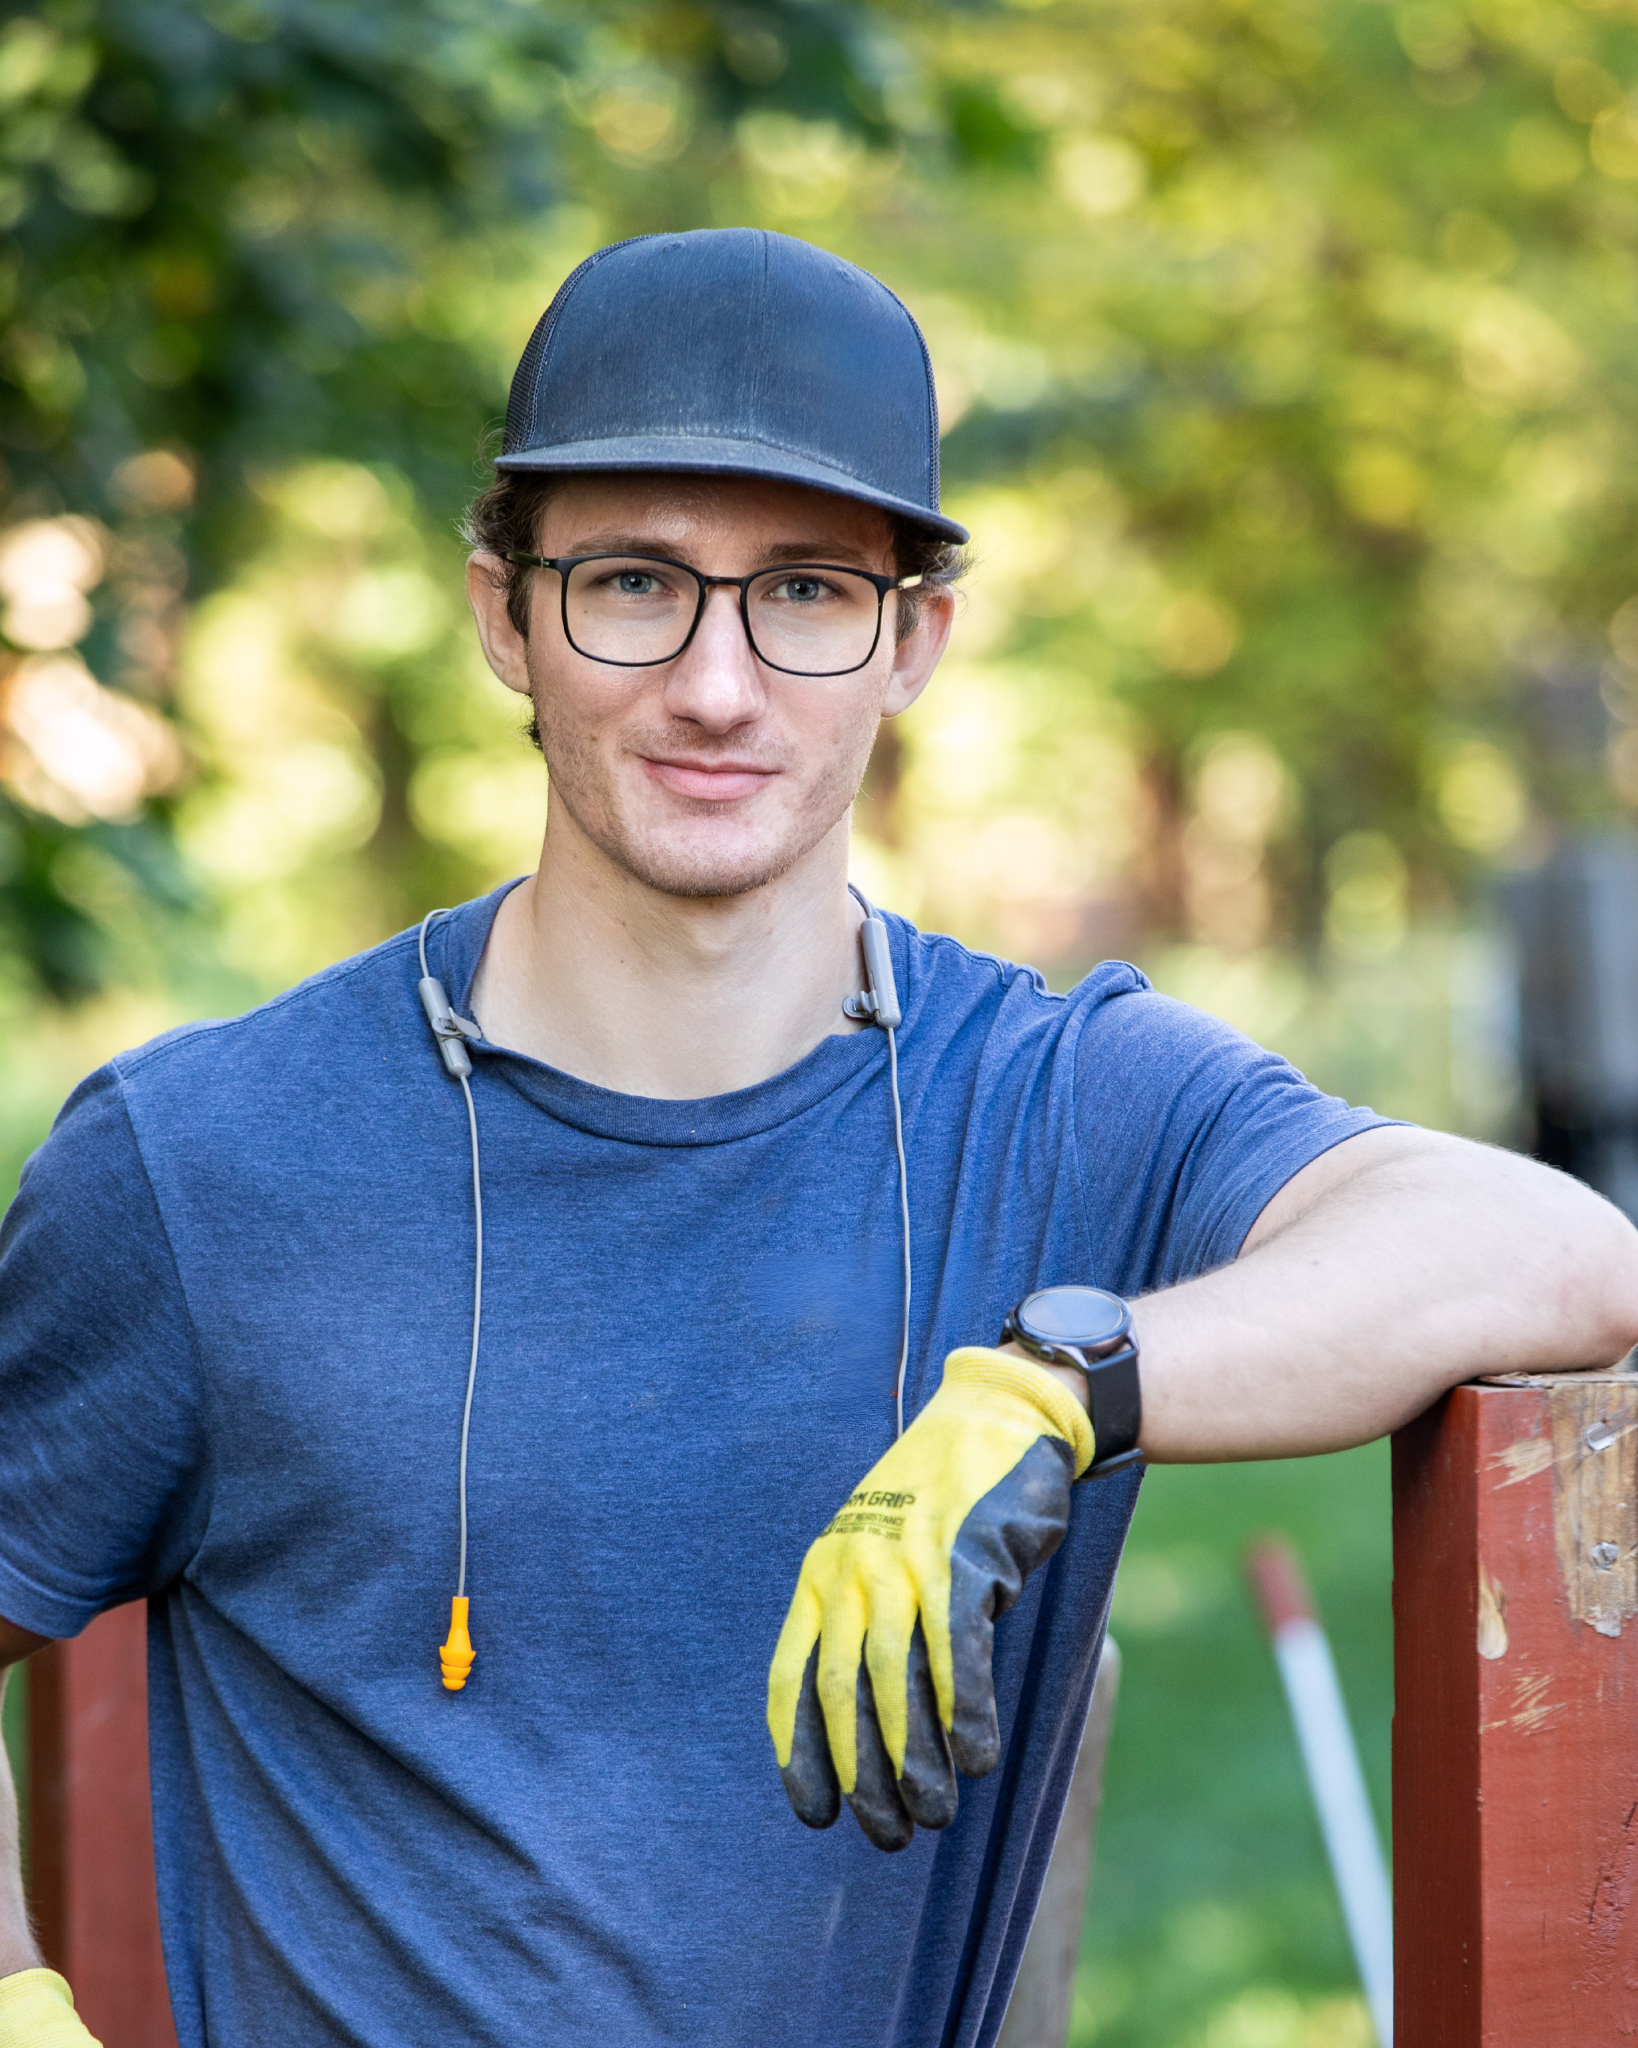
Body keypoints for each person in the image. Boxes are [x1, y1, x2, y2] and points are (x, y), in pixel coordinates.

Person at [0, 226, 1633, 2048]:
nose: (717, 684)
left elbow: (1555, 1250)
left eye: (803, 593)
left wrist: (1056, 1390)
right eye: (633, 583)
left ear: (911, 640)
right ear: (504, 616)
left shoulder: (1053, 1100)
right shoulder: (199, 1165)